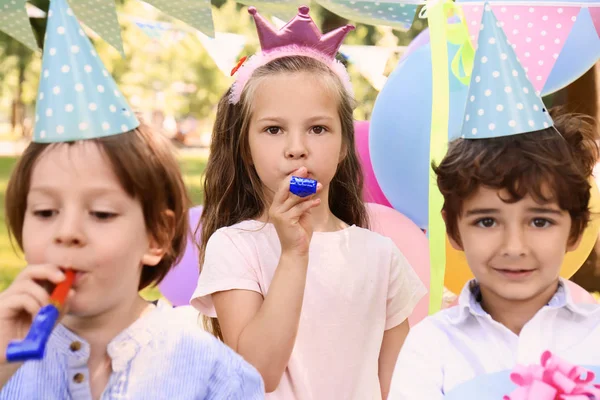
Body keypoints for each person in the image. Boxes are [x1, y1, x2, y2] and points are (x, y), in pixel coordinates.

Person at [0, 0, 264, 398]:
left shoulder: (214, 376)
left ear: (156, 235)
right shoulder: (6, 357)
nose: (67, 232)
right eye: (45, 212)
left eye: (102, 213)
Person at [191, 6, 427, 399]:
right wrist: (293, 254)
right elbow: (256, 375)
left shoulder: (382, 255)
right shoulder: (235, 247)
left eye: (318, 128)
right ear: (246, 149)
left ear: (342, 147)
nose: (297, 148)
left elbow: (397, 388)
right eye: (273, 129)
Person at [389, 6, 600, 399]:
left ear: (576, 229)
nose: (514, 246)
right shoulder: (430, 348)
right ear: (453, 228)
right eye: (487, 221)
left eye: (539, 221)